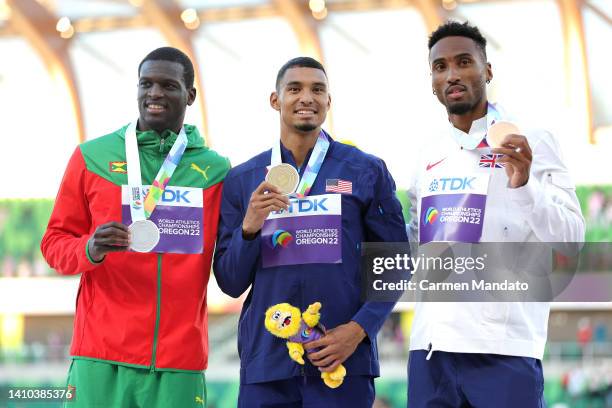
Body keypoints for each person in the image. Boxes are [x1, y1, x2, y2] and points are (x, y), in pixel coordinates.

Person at [406, 21, 585, 407]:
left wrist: (525, 185)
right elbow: (418, 245)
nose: (452, 74)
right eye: (440, 67)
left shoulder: (532, 140)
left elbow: (572, 238)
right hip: (430, 352)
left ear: (487, 71)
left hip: (504, 350)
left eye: (464, 61)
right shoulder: (428, 153)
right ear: (432, 79)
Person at [213, 56, 408, 407]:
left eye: (317, 90)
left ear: (328, 102)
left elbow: (394, 264)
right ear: (276, 100)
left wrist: (358, 330)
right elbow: (229, 281)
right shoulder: (243, 179)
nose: (307, 97)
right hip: (267, 366)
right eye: (294, 89)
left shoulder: (365, 170)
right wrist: (249, 228)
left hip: (342, 361)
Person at [41, 47, 230, 407]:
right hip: (100, 355)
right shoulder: (92, 157)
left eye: (168, 85)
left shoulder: (216, 171)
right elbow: (53, 244)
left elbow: (232, 255)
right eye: (146, 83)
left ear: (190, 95)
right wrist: (89, 249)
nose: (154, 93)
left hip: (178, 361)